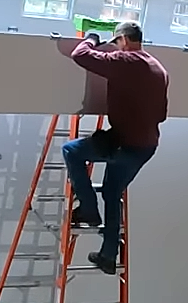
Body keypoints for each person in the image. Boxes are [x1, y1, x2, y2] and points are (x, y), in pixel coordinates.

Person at [55, 21, 169, 274]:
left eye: (116, 43)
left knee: (71, 151)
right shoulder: (158, 67)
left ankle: (88, 209)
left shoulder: (125, 60)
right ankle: (108, 255)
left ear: (124, 41)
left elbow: (80, 54)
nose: (115, 48)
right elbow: (161, 114)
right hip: (146, 146)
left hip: (123, 143)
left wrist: (92, 38)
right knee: (111, 192)